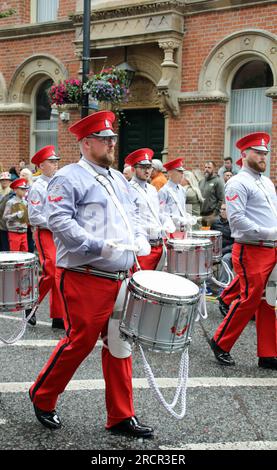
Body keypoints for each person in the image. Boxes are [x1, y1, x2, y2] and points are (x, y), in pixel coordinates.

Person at [29, 110, 154, 437]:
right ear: (86, 144)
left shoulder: (117, 180)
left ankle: (121, 415)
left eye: (112, 138)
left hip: (120, 277)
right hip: (85, 275)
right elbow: (59, 221)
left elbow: (132, 217)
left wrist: (139, 238)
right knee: (79, 343)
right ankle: (42, 394)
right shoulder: (68, 177)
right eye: (104, 139)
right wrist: (100, 246)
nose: (112, 143)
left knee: (119, 344)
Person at [210, 132, 277, 370]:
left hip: (270, 249)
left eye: (264, 153)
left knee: (269, 300)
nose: (262, 157)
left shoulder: (266, 182)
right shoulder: (237, 182)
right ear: (244, 154)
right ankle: (220, 342)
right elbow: (236, 221)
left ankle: (268, 353)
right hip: (251, 249)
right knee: (249, 299)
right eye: (258, 152)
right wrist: (269, 232)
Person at [27, 146, 65, 329]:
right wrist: (55, 223)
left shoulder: (58, 183)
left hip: (59, 233)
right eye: (51, 162)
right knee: (50, 269)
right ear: (41, 165)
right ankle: (31, 304)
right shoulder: (37, 187)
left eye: (56, 161)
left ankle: (58, 315)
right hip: (45, 232)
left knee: (60, 271)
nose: (55, 164)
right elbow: (34, 216)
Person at [125, 148, 174, 270]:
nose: (147, 170)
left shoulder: (152, 189)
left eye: (149, 167)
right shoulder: (128, 189)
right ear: (133, 169)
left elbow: (157, 213)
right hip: (143, 246)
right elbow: (129, 219)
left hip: (158, 244)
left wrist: (166, 220)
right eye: (142, 167)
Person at [158, 158, 195, 238]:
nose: (182, 174)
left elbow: (182, 209)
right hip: (170, 230)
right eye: (179, 171)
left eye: (182, 172)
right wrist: (175, 219)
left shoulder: (182, 189)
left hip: (182, 229)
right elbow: (160, 213)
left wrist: (188, 216)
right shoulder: (164, 191)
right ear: (170, 173)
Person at [211, 203, 234, 286]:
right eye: (221, 209)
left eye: (225, 209)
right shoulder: (215, 223)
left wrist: (223, 251)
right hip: (216, 251)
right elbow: (211, 239)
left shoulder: (234, 224)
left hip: (230, 251)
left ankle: (223, 286)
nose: (222, 211)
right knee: (202, 257)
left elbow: (236, 243)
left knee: (225, 258)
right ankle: (207, 285)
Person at [3, 178, 29, 251]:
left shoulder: (25, 202)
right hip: (14, 231)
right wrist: (15, 216)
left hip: (24, 231)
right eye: (22, 189)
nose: (24, 191)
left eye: (25, 189)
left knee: (25, 252)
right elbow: (4, 217)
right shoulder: (10, 202)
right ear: (15, 190)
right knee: (15, 253)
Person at [199, 161, 225, 227]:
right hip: (201, 215)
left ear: (214, 169)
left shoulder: (218, 181)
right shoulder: (201, 181)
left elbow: (221, 199)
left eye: (209, 167)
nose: (206, 169)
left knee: (210, 236)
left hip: (211, 216)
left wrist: (214, 215)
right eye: (205, 167)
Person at [20, 168, 35, 253]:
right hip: (21, 216)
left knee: (29, 237)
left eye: (23, 175)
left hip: (29, 215)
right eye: (20, 174)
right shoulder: (20, 186)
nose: (21, 176)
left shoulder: (31, 187)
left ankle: (30, 253)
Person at [0, 172, 12, 251]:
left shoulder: (12, 194)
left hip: (7, 226)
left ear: (10, 181)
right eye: (2, 180)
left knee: (6, 247)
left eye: (6, 180)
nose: (4, 181)